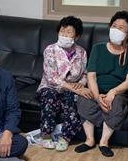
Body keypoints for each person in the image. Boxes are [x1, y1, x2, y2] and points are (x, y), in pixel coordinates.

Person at [74, 10, 128, 157]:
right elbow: (91, 76)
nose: (115, 30)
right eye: (114, 26)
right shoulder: (98, 48)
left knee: (116, 104)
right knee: (84, 99)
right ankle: (89, 140)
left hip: (118, 92)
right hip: (96, 89)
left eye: (121, 28)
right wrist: (97, 96)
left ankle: (104, 142)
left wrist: (112, 92)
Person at [36, 16, 90, 151]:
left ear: (77, 36)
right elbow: (51, 77)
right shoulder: (50, 50)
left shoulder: (82, 52)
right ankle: (46, 135)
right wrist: (72, 87)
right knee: (49, 97)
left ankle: (65, 137)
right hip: (50, 86)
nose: (64, 34)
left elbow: (85, 73)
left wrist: (81, 84)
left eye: (68, 32)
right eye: (62, 31)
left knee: (74, 102)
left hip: (72, 89)